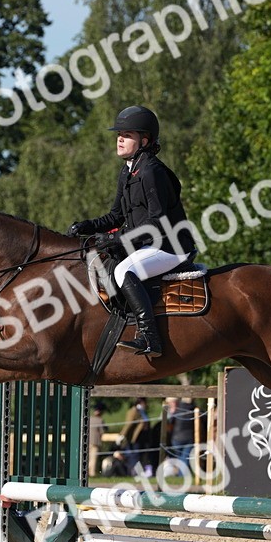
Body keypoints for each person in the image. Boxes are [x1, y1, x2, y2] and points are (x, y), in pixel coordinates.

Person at [68, 105, 195, 358]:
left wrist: (115, 238)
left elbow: (157, 224)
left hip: (171, 247)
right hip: (150, 244)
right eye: (119, 134)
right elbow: (116, 216)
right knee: (103, 264)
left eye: (127, 134)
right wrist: (87, 226)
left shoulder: (151, 172)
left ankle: (150, 338)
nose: (120, 139)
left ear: (144, 140)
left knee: (124, 270)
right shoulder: (128, 170)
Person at [117, 397, 156, 477]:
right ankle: (133, 473)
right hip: (135, 439)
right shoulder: (133, 411)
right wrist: (122, 435)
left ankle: (140, 472)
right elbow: (129, 424)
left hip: (143, 438)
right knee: (134, 456)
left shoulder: (143, 412)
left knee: (142, 456)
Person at [164, 397, 197, 475]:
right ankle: (182, 475)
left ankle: (181, 475)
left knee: (180, 457)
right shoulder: (194, 410)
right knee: (185, 457)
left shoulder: (177, 410)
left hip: (177, 438)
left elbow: (170, 423)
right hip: (190, 437)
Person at [88, 402, 107, 478]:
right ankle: (92, 473)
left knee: (86, 458)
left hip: (86, 441)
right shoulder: (100, 420)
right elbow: (102, 431)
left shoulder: (89, 419)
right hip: (95, 442)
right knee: (93, 459)